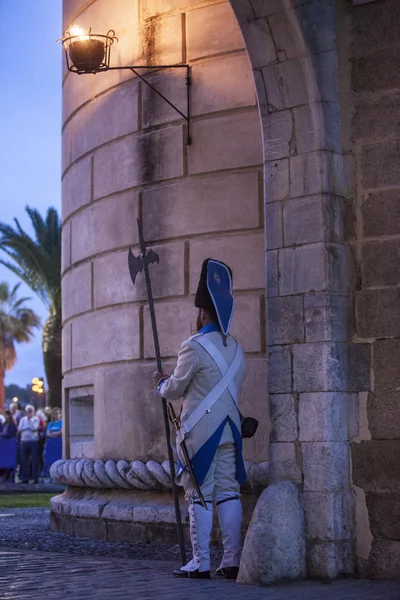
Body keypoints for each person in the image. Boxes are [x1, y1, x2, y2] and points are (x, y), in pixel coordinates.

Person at [153, 259, 247, 580]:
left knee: (200, 493)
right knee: (228, 492)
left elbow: (176, 389)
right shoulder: (236, 348)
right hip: (230, 429)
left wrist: (160, 383)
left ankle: (201, 562)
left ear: (202, 313)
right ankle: (232, 561)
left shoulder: (192, 346)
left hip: (200, 433)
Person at [18, 405, 40, 484]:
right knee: (24, 460)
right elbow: (20, 429)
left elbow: (34, 428)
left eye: (31, 411)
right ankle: (25, 478)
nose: (29, 412)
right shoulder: (22, 419)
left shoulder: (36, 419)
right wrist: (27, 427)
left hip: (33, 441)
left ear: (33, 411)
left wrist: (30, 421)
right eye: (28, 411)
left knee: (34, 460)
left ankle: (35, 478)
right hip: (24, 441)